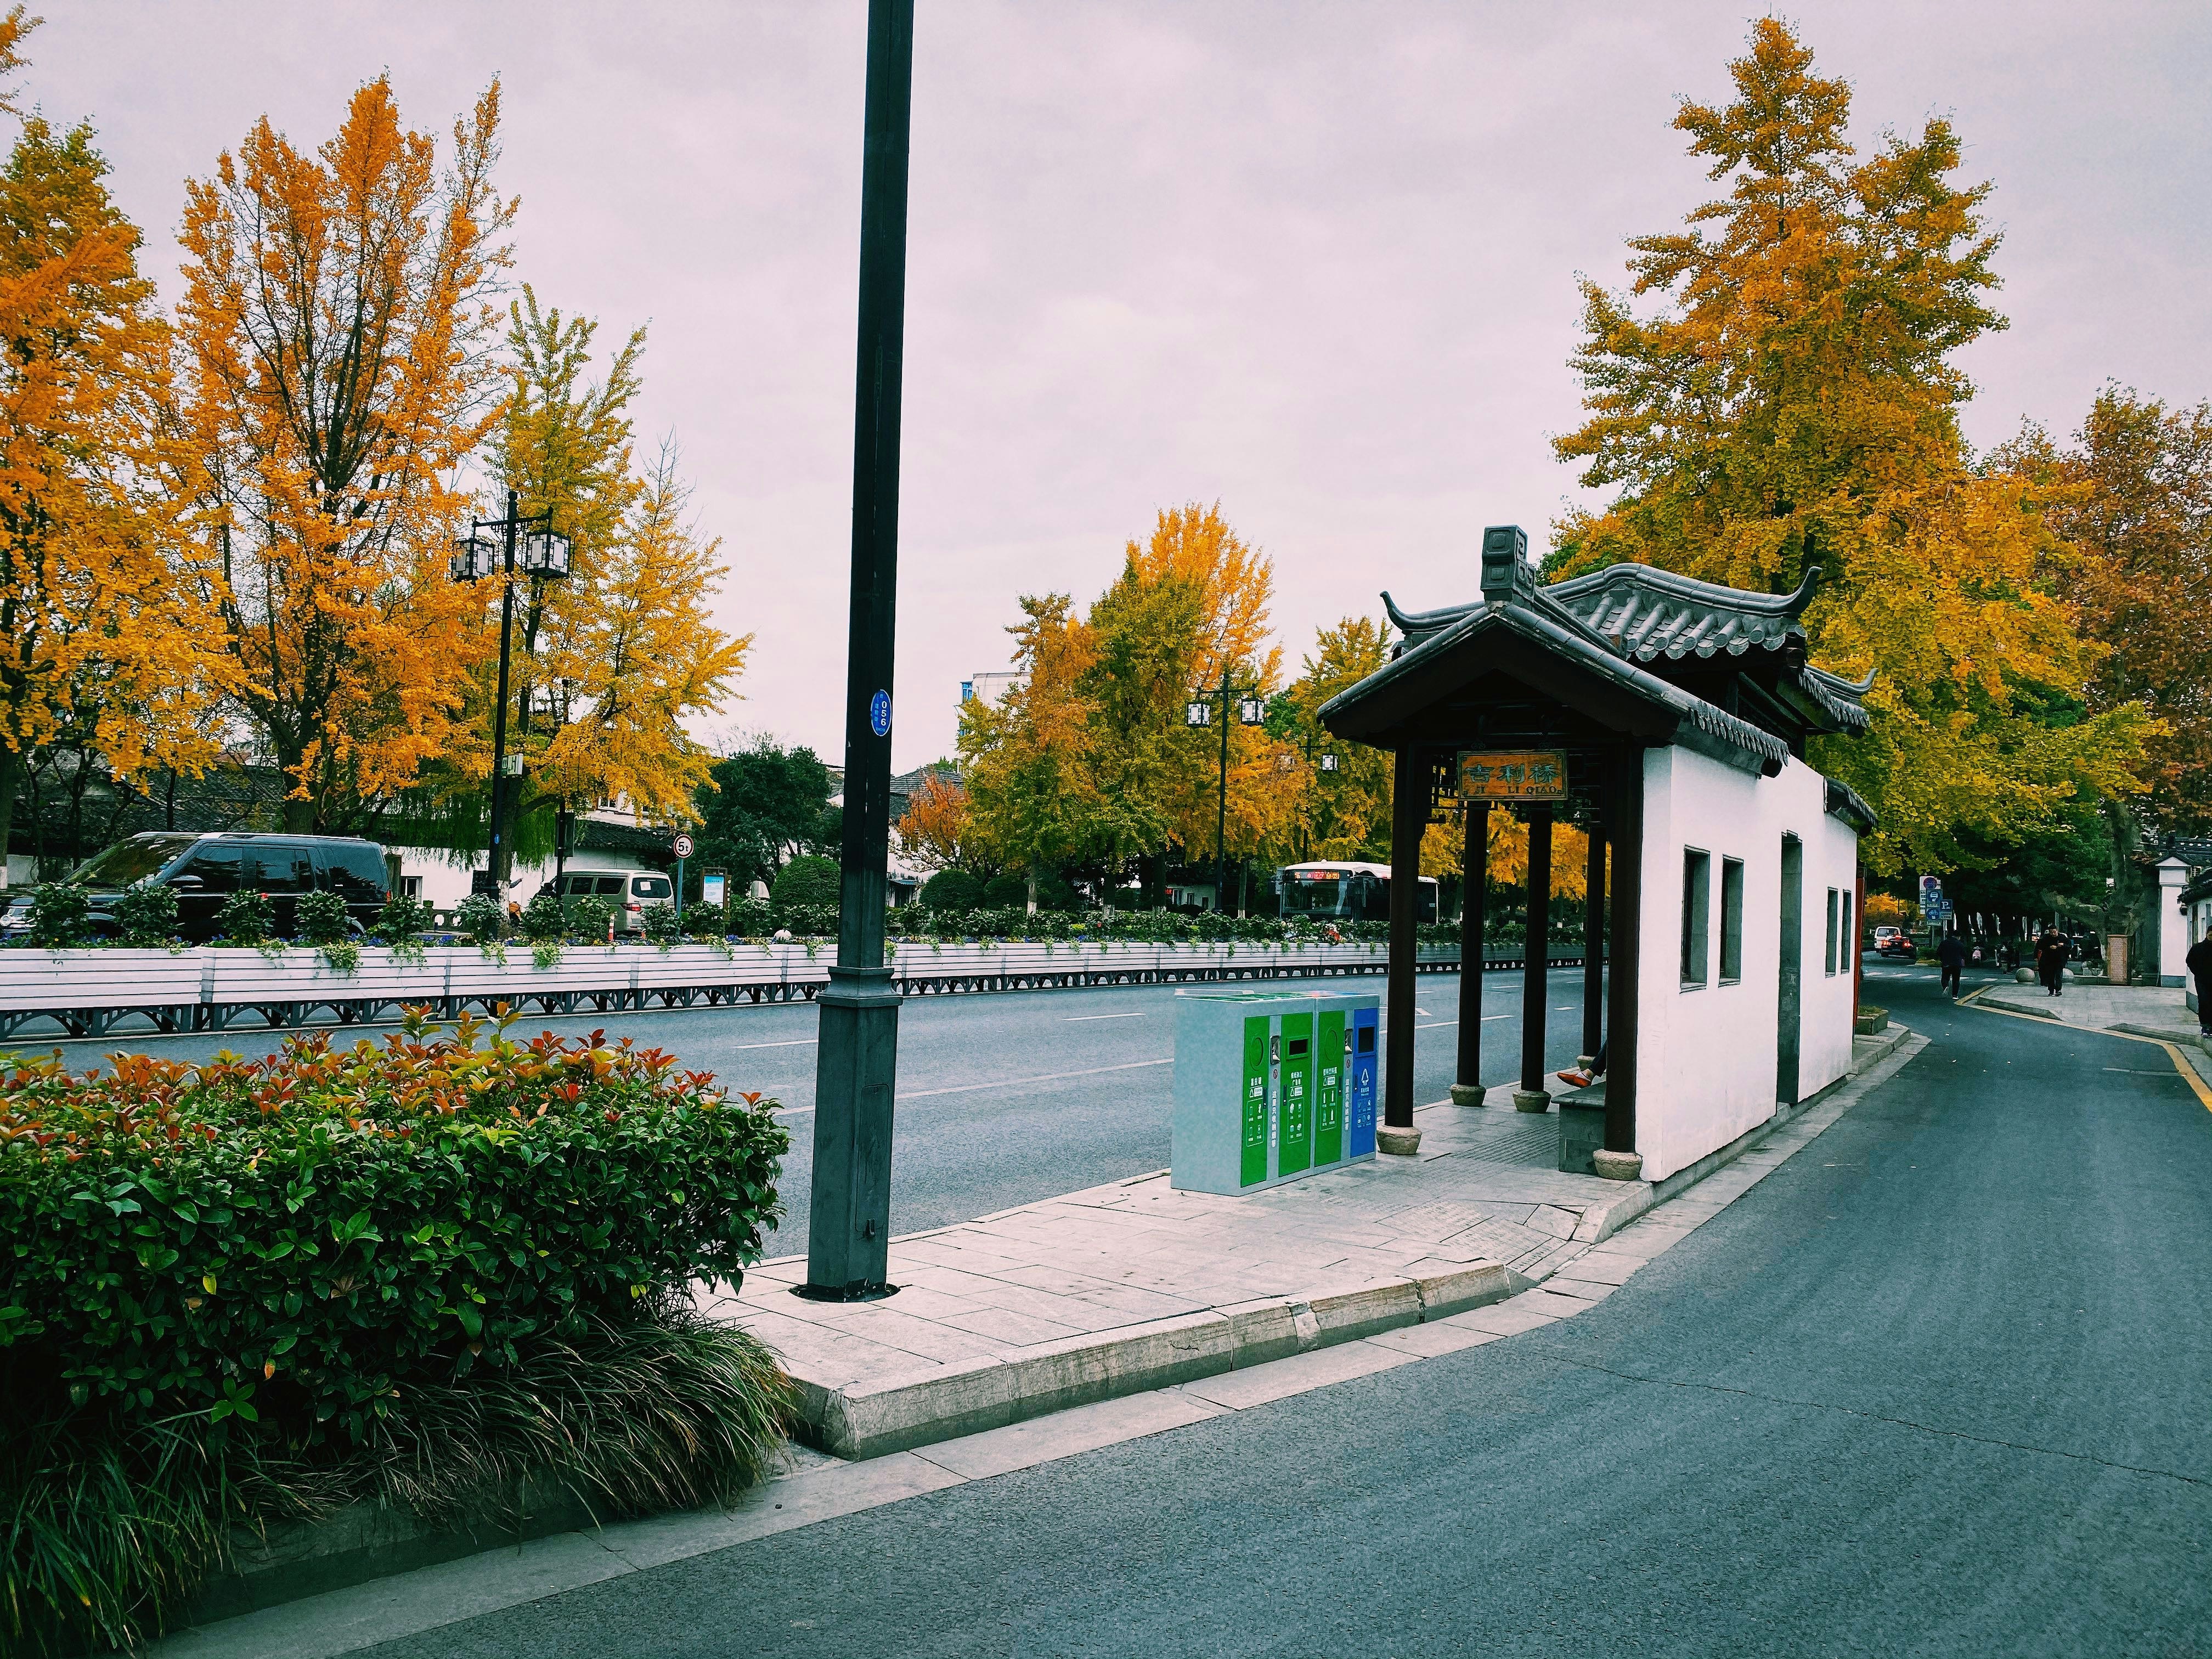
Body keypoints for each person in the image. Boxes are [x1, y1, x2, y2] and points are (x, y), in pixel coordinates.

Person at [2187, 929, 2212, 1037]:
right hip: (2202, 980)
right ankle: (2205, 1026)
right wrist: (2197, 972)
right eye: (2211, 935)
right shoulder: (2198, 948)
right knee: (2204, 1001)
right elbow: (2189, 961)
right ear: (2207, 934)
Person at [2034, 926, 2070, 997]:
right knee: (2050, 976)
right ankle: (2051, 990)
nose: (2053, 934)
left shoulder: (2063, 938)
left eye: (2054, 932)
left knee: (2058, 975)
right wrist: (2049, 947)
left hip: (2060, 960)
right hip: (2049, 960)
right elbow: (2040, 947)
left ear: (2057, 931)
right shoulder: (2046, 938)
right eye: (2051, 932)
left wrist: (2063, 945)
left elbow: (2070, 946)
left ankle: (2058, 990)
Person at [1937, 928, 1967, 999]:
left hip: (1946, 963)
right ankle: (1955, 995)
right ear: (1959, 937)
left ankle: (1946, 986)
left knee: (1945, 977)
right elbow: (1964, 954)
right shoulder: (1960, 944)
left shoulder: (1944, 943)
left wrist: (1942, 958)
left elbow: (1938, 952)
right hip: (1957, 964)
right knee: (1956, 979)